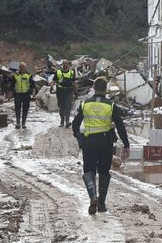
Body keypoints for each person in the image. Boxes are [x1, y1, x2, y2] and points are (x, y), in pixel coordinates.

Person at [72, 76, 130, 215]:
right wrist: (126, 145)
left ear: (94, 88)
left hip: (89, 143)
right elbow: (120, 126)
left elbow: (75, 124)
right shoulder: (110, 105)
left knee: (89, 171)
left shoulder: (85, 104)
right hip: (105, 143)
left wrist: (79, 137)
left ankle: (93, 197)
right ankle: (102, 204)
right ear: (106, 90)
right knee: (104, 172)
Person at [51, 59, 77, 128]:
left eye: (66, 64)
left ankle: (67, 121)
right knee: (61, 106)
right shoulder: (58, 72)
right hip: (60, 91)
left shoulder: (71, 72)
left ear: (68, 64)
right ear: (62, 64)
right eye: (64, 63)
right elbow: (54, 80)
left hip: (69, 91)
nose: (65, 65)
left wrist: (75, 92)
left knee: (68, 106)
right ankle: (62, 121)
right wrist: (51, 87)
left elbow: (74, 83)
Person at [12, 61, 35, 129]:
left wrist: (32, 90)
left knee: (25, 109)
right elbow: (12, 84)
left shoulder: (29, 75)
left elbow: (32, 84)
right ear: (19, 67)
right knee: (17, 109)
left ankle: (23, 123)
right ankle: (18, 123)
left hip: (26, 94)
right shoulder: (15, 75)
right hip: (18, 94)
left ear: (25, 68)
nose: (22, 68)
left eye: (23, 67)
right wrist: (11, 91)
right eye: (21, 66)